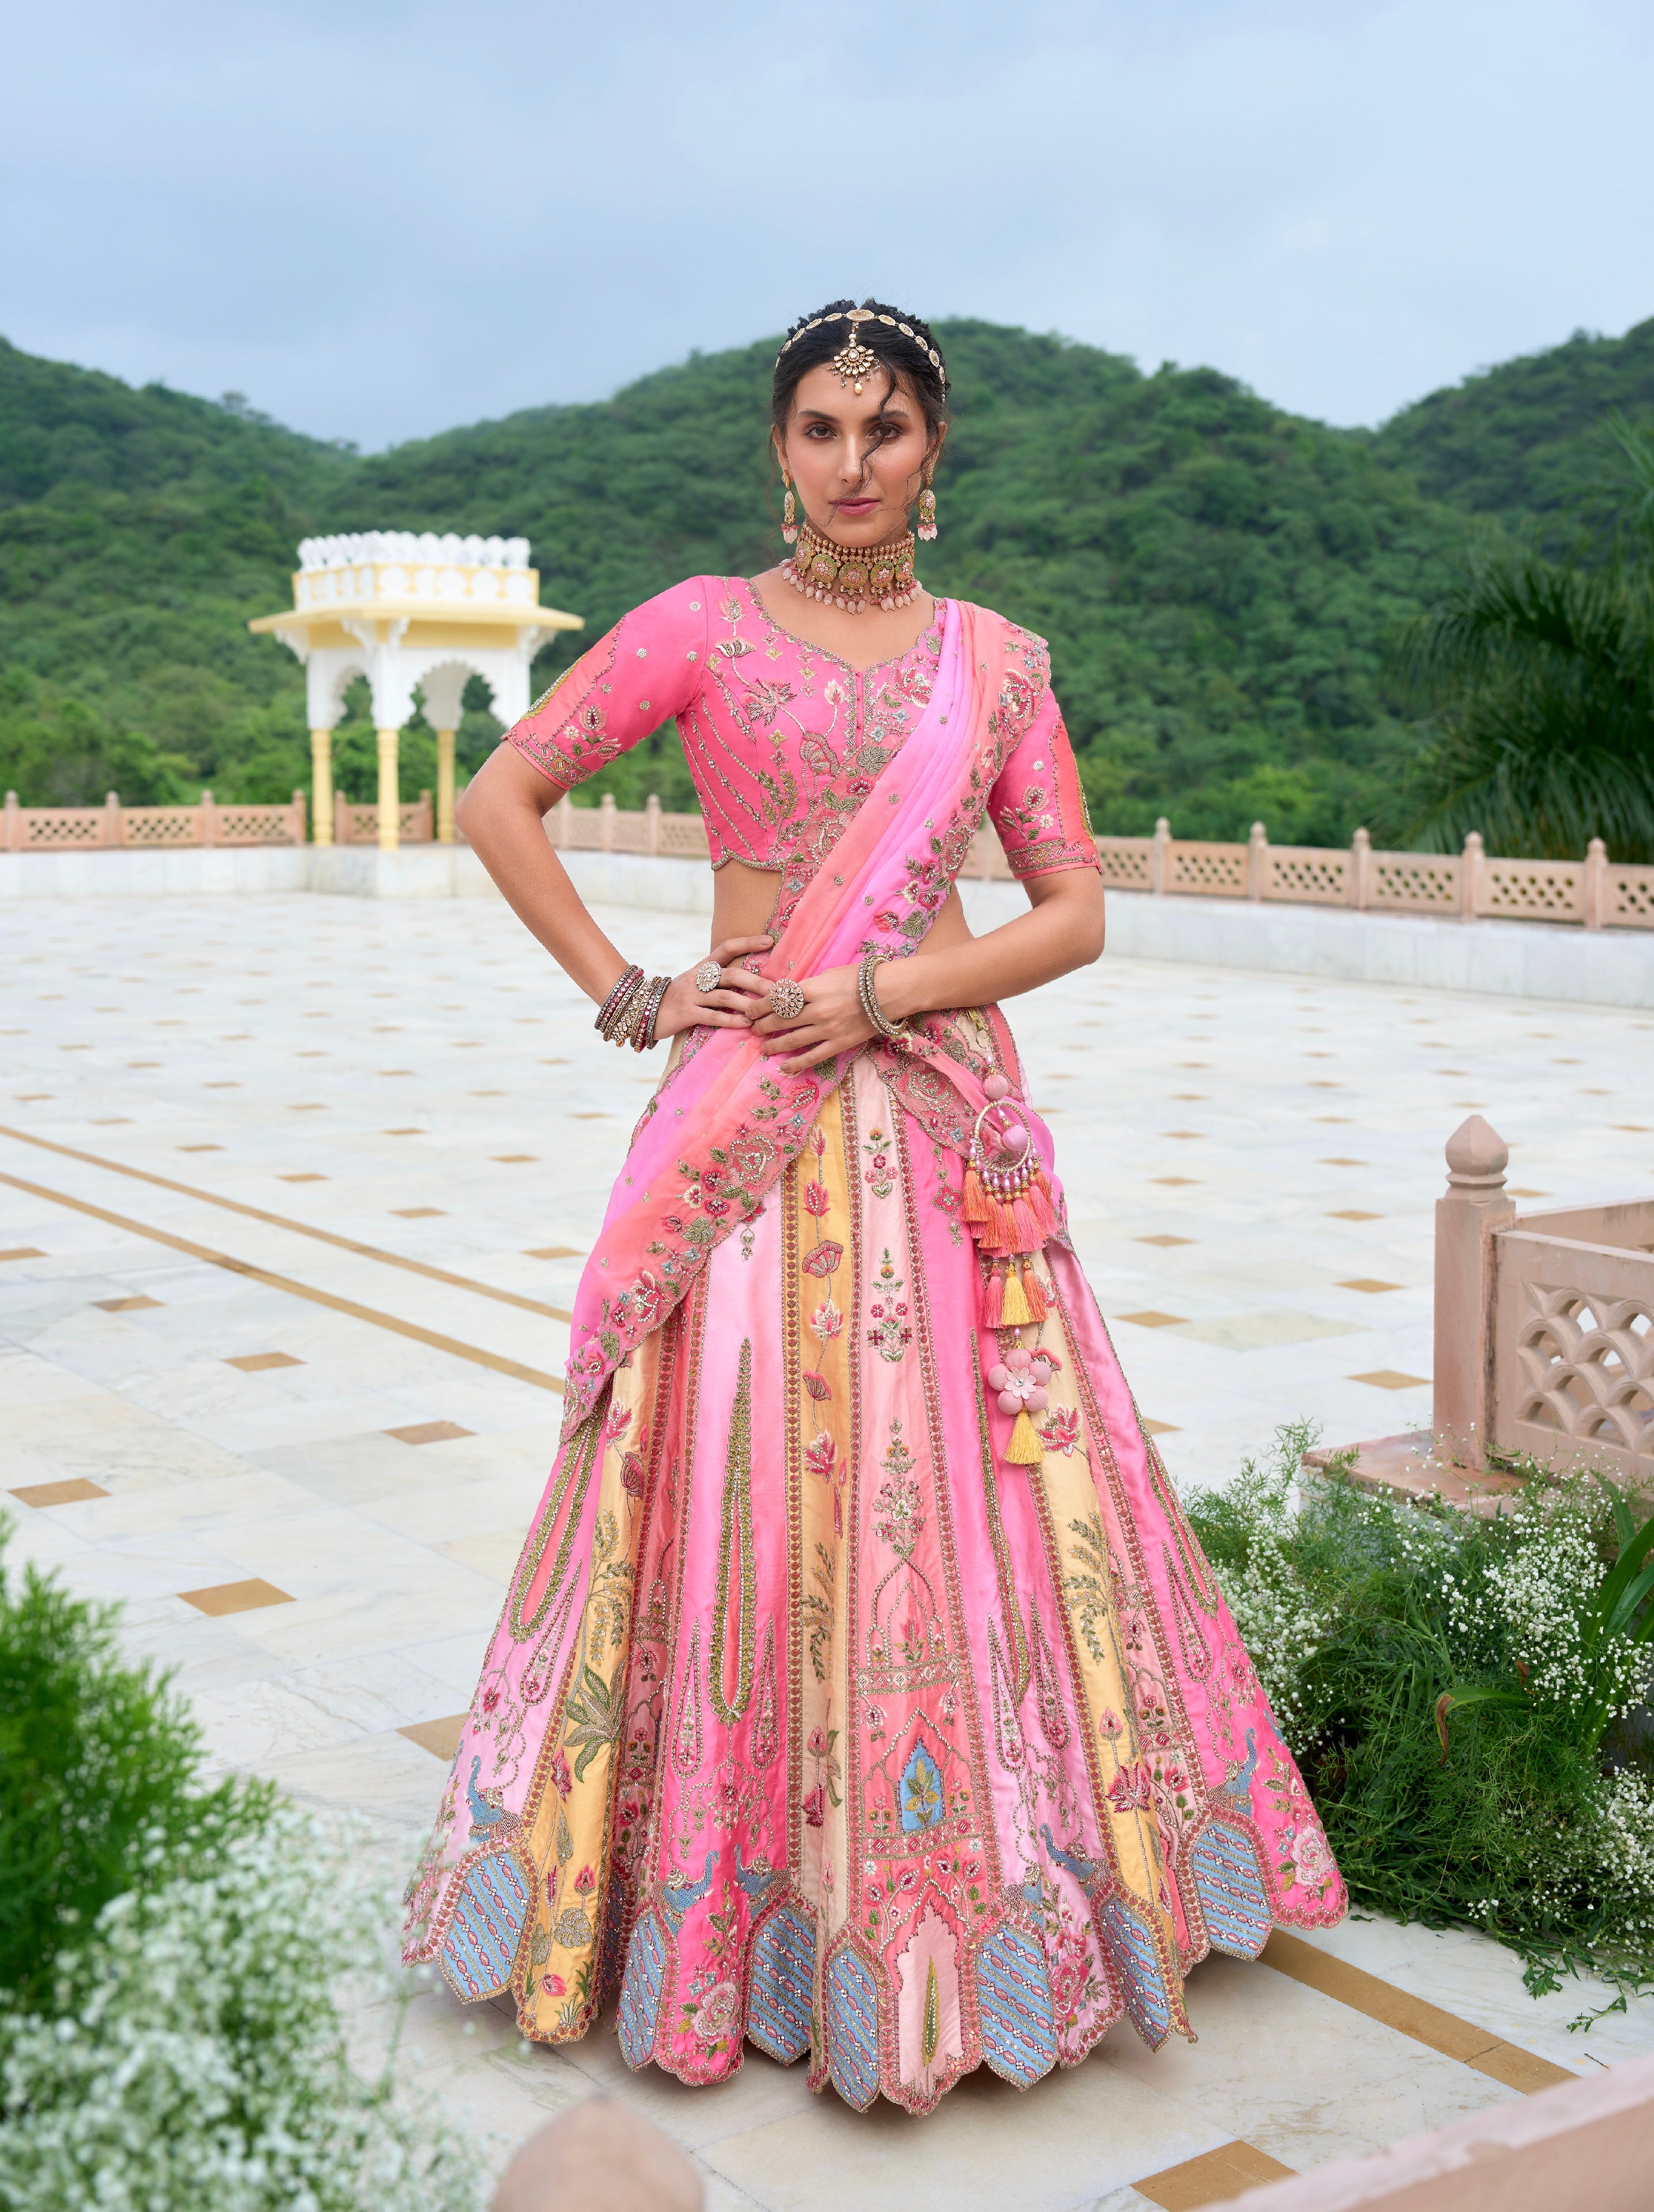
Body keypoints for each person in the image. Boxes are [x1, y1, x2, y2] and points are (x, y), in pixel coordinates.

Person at [402, 297, 1344, 2116]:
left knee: (968, 1486)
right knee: (736, 1477)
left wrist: (888, 993)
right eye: (821, 430)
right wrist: (634, 987)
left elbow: (1069, 906)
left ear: (935, 448)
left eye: (886, 429)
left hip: (928, 1120)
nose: (851, 463)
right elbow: (501, 794)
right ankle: (710, 1897)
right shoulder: (697, 628)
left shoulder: (990, 663)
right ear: (777, 448)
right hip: (745, 1122)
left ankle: (998, 1878)